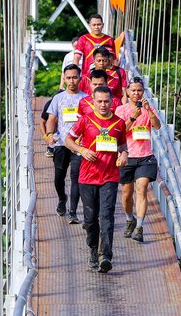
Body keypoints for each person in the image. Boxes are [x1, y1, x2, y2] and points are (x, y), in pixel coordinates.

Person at [65, 86, 128, 273]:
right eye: (99, 101)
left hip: (109, 176)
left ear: (112, 102)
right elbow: (69, 140)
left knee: (106, 216)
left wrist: (124, 155)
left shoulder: (119, 123)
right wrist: (81, 150)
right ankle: (93, 248)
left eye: (106, 101)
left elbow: (123, 145)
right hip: (87, 177)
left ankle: (105, 256)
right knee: (91, 220)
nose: (103, 105)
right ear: (93, 101)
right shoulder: (86, 120)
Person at [114, 77, 161, 242]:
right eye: (133, 90)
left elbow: (157, 126)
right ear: (127, 92)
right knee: (127, 194)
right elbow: (119, 132)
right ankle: (129, 219)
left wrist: (148, 111)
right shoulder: (121, 110)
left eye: (139, 90)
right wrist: (133, 117)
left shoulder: (149, 108)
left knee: (142, 189)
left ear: (143, 92)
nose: (136, 93)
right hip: (127, 156)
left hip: (145, 156)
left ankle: (139, 227)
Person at [45, 64, 88, 224]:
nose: (71, 81)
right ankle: (62, 198)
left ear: (80, 78)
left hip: (78, 144)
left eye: (74, 77)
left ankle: (73, 212)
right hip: (62, 143)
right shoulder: (58, 98)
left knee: (76, 177)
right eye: (68, 78)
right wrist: (49, 135)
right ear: (64, 78)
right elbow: (51, 119)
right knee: (59, 176)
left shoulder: (85, 99)